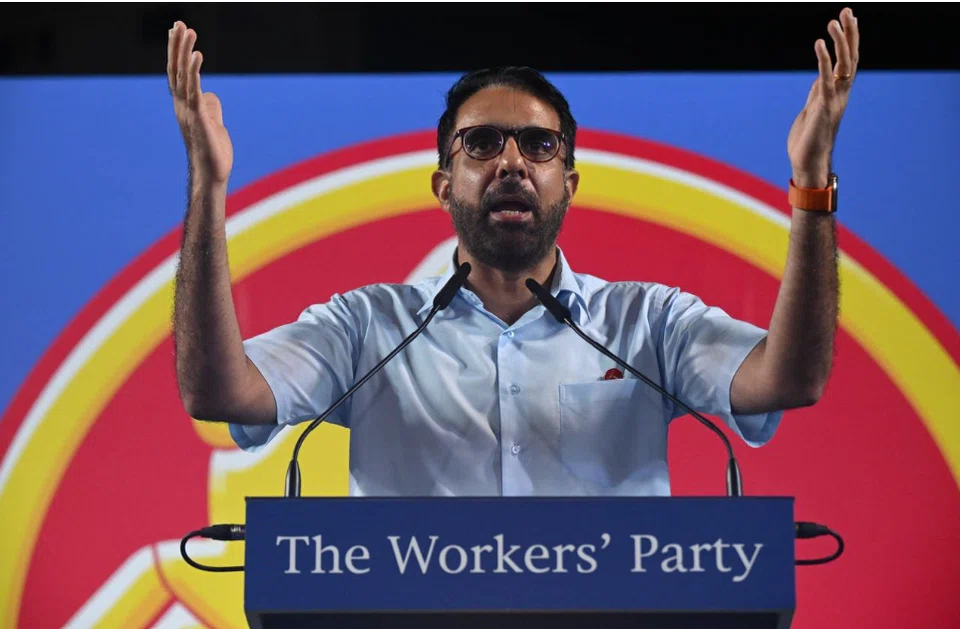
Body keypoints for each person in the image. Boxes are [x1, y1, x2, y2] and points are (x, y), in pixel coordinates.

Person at [168, 8, 858, 496]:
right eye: (481, 142)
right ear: (443, 183)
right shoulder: (366, 329)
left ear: (569, 183)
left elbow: (790, 377)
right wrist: (208, 185)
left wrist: (811, 182)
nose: (511, 163)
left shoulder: (645, 325)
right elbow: (219, 391)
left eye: (538, 145)